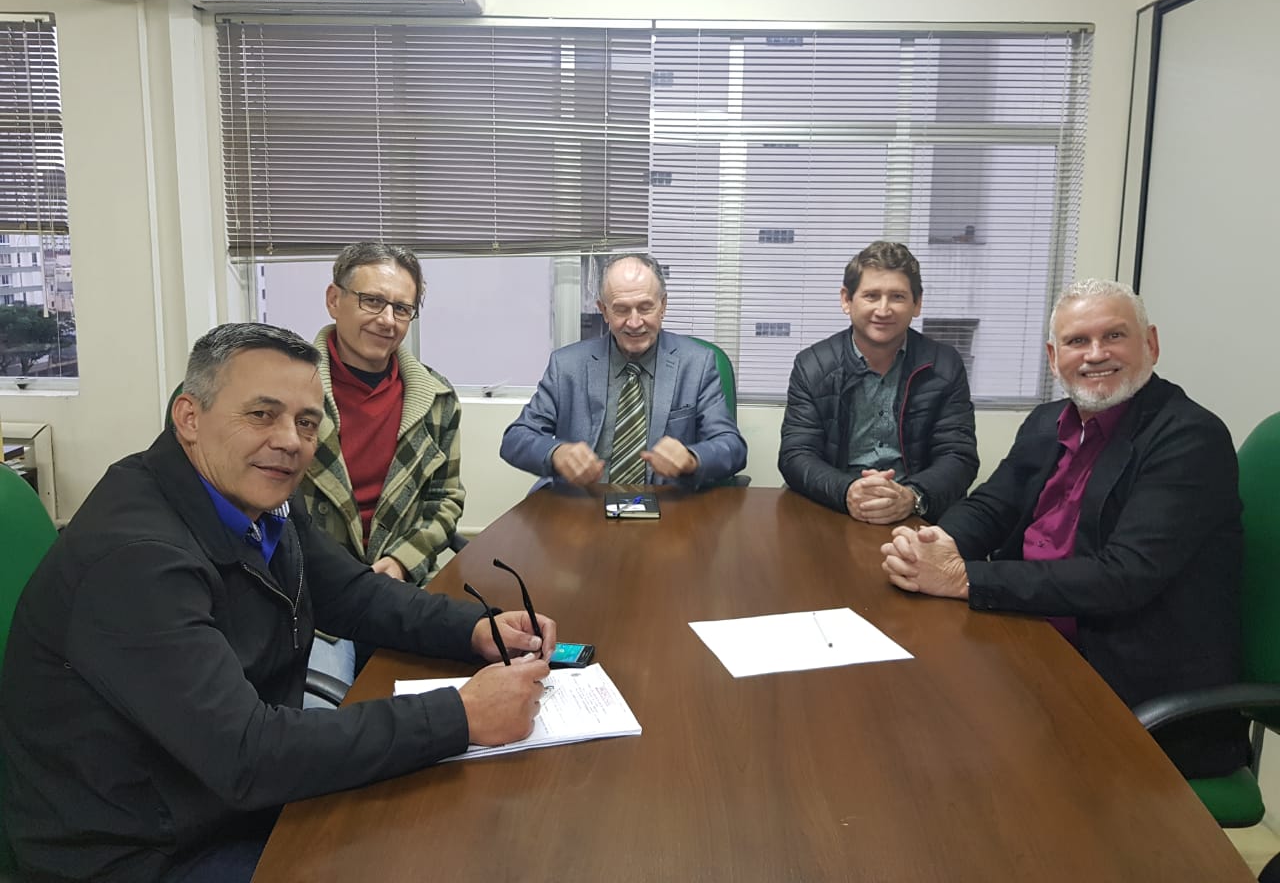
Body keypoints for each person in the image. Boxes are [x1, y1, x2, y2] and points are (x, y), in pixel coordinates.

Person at [0, 323, 554, 883]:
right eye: (262, 414)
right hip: (143, 852)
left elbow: (352, 592)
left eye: (306, 422)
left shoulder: (258, 500)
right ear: (189, 417)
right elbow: (246, 754)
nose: (290, 441)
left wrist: (475, 628)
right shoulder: (136, 560)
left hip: (219, 799)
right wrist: (460, 714)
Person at [880, 279, 1247, 778]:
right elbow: (993, 503)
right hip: (1031, 642)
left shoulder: (1188, 438)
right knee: (907, 718)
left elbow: (1122, 576)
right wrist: (933, 542)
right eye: (1077, 341)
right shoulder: (1049, 421)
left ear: (1151, 344)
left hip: (1128, 689)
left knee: (958, 763)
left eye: (1114, 336)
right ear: (1054, 358)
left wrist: (962, 578)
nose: (1095, 354)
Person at [299, 242, 465, 688]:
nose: (387, 320)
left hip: (401, 589)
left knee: (444, 699)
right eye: (372, 301)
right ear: (334, 300)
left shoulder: (436, 398)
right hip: (311, 599)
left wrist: (400, 562)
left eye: (402, 309)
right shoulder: (287, 391)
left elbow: (445, 500)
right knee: (322, 712)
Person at [500, 253, 748, 489]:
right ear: (604, 310)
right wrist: (556, 453)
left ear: (663, 306)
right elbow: (516, 438)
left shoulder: (697, 363)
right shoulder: (567, 366)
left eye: (645, 307)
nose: (634, 322)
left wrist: (691, 458)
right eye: (621, 309)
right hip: (582, 501)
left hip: (665, 504)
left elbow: (732, 447)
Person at [779, 241, 978, 524]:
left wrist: (911, 496)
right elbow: (796, 455)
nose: (883, 310)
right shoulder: (813, 366)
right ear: (847, 300)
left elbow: (958, 456)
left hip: (919, 512)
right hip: (835, 507)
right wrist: (847, 491)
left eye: (897, 297)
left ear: (917, 303)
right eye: (871, 296)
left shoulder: (945, 365)